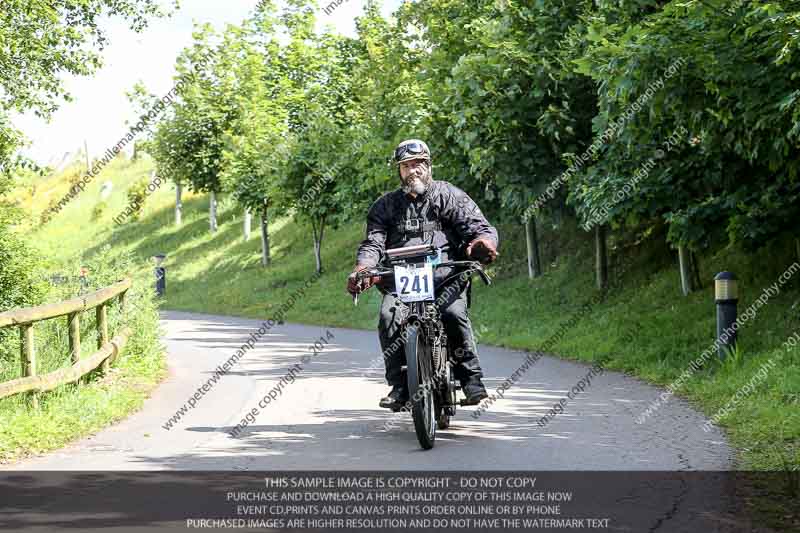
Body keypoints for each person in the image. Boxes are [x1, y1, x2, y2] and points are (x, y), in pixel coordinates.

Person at [346, 139, 499, 410]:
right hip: (400, 283)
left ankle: (471, 380)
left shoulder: (449, 195)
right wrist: (364, 268)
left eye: (418, 164)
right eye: (406, 166)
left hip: (446, 278)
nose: (412, 170)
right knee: (387, 317)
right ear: (399, 171)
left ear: (428, 166)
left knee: (453, 314)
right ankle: (400, 386)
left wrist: (481, 244)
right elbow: (373, 244)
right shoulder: (385, 206)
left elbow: (478, 228)